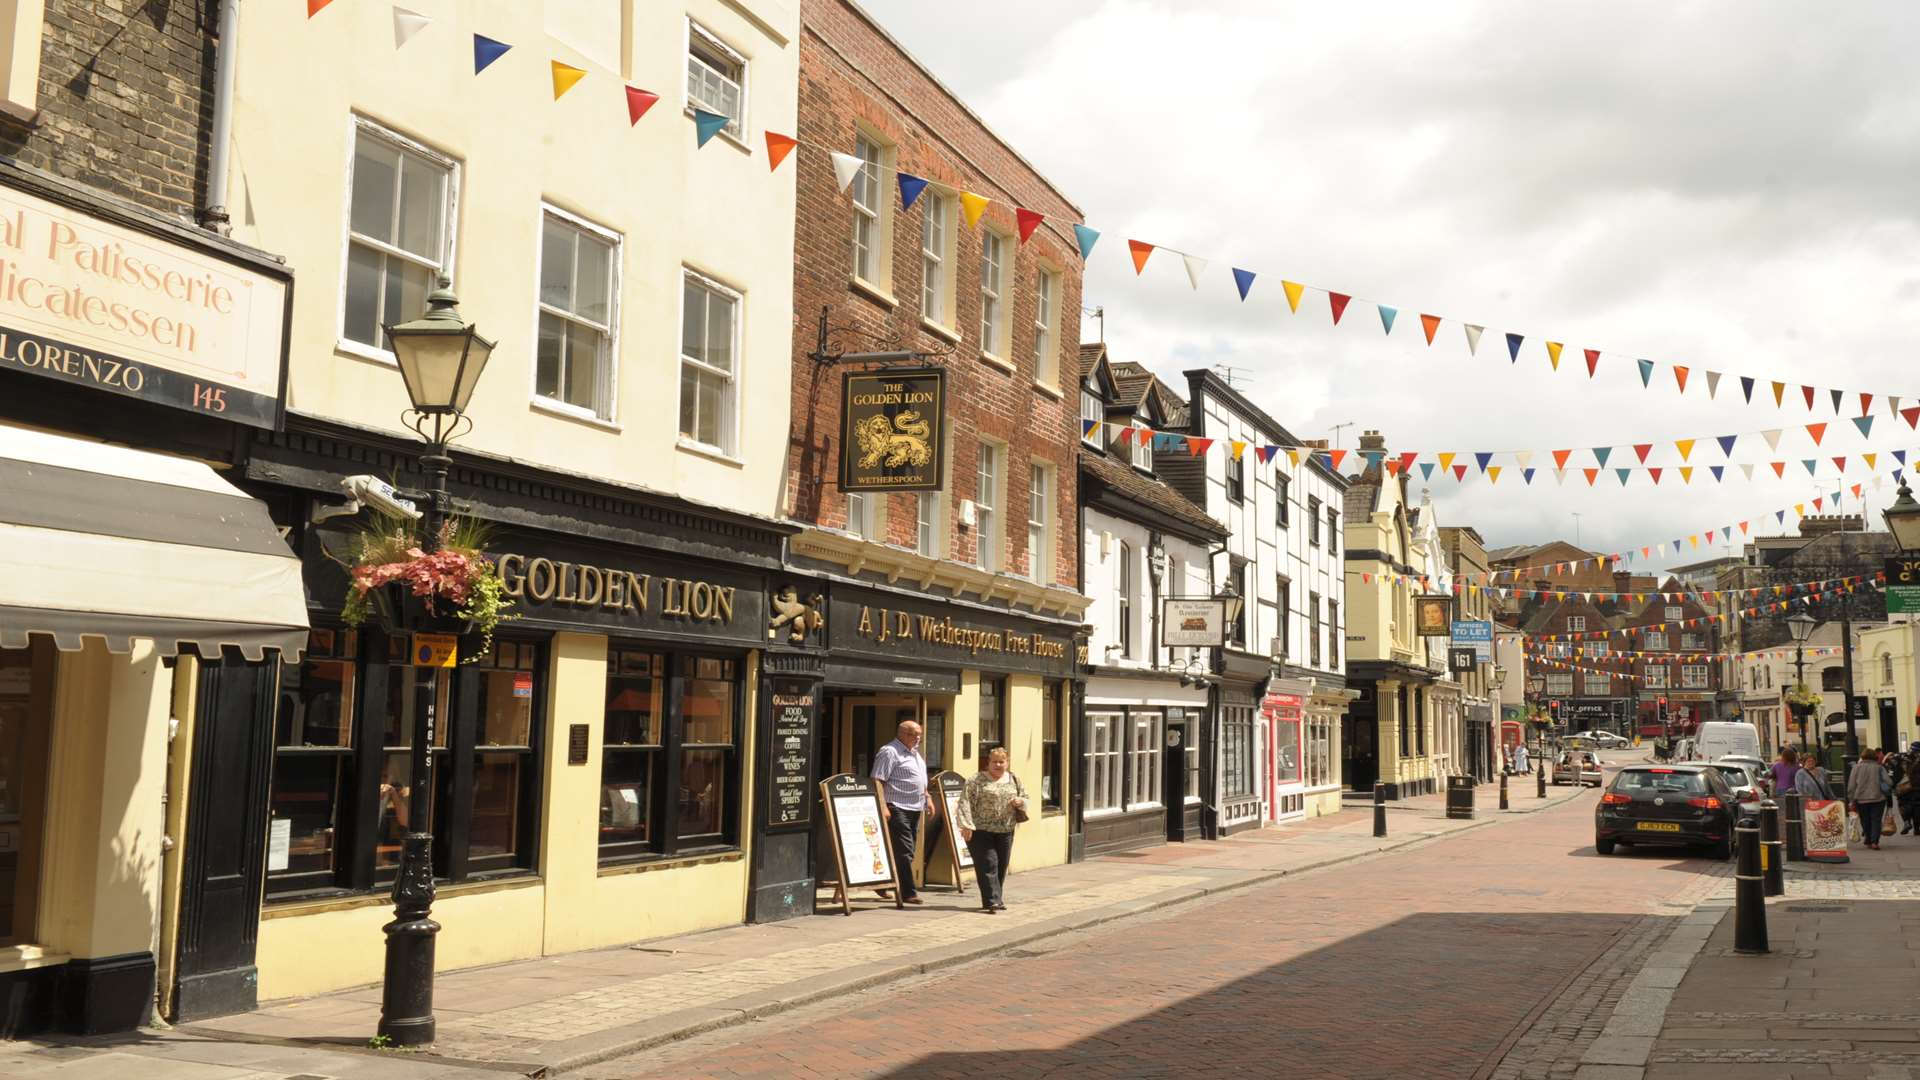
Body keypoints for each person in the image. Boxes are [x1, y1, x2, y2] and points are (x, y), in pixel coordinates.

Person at [956, 745, 1027, 913]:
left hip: (1006, 829)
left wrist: (1020, 801)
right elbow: (965, 802)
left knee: (1001, 865)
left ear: (1007, 762)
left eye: (1001, 762)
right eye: (994, 761)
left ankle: (995, 899)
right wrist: (966, 825)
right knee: (989, 863)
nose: (998, 765)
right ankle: (992, 900)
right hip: (981, 829)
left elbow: (1026, 797)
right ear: (988, 762)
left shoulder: (1013, 779)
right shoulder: (976, 780)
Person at [870, 719, 935, 904]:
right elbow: (877, 780)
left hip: (915, 807)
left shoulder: (914, 754)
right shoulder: (889, 752)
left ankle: (882, 883)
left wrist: (928, 797)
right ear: (903, 734)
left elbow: (920, 780)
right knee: (904, 851)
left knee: (907, 849)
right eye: (915, 734)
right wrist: (882, 806)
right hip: (896, 806)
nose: (918, 738)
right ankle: (908, 892)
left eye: (920, 735)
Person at [1846, 748, 1890, 850]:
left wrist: (1851, 799)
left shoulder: (1856, 768)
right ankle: (1875, 841)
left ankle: (1868, 838)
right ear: (1874, 756)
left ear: (1862, 756)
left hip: (1861, 799)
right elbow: (1889, 782)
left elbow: (1851, 786)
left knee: (1865, 820)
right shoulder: (1879, 768)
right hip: (1878, 798)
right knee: (1876, 820)